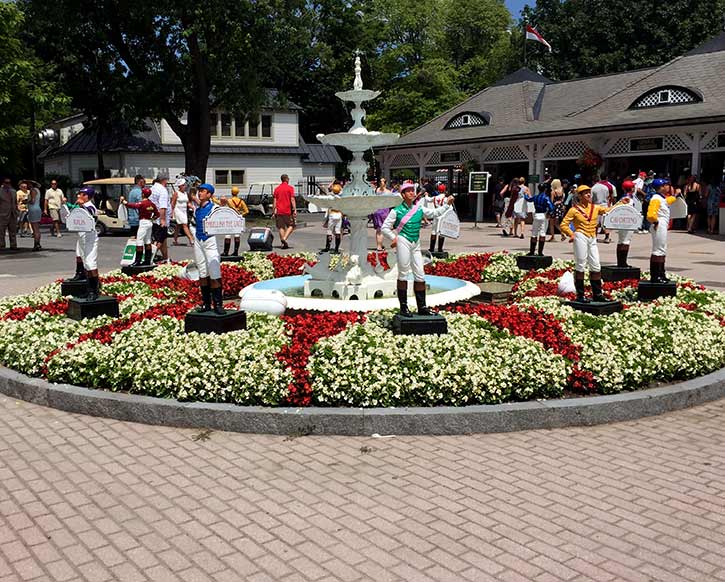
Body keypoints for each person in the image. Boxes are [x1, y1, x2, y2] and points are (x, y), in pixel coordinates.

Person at [381, 180, 455, 317]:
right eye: (408, 190)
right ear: (403, 194)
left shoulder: (419, 209)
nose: (412, 192)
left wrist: (446, 205)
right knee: (403, 272)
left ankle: (422, 307)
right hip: (403, 240)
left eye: (412, 190)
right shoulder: (396, 211)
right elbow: (384, 227)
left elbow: (435, 213)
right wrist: (394, 238)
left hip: (416, 243)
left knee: (420, 274)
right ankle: (404, 307)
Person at [559, 185, 627, 303]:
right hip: (581, 235)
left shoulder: (595, 208)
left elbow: (607, 210)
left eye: (589, 193)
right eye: (585, 193)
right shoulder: (574, 210)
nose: (589, 195)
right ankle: (580, 295)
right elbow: (563, 224)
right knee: (580, 264)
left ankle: (597, 294)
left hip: (592, 237)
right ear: (579, 196)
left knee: (596, 265)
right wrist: (571, 234)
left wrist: (620, 203)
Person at [193, 183, 224, 314]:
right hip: (198, 240)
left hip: (210, 240)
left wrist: (224, 206)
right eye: (199, 191)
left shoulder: (215, 208)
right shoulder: (197, 209)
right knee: (202, 270)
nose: (200, 193)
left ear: (209, 194)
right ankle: (206, 303)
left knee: (214, 269)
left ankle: (218, 304)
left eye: (203, 191)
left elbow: (224, 218)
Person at [71, 187, 101, 300]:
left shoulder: (90, 206)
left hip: (90, 238)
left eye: (81, 194)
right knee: (84, 262)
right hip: (82, 236)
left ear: (87, 196)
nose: (79, 196)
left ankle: (94, 290)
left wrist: (81, 206)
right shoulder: (81, 206)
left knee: (90, 263)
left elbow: (90, 214)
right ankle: (89, 289)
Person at [647, 178, 677, 283]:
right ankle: (656, 276)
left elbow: (668, 201)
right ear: (661, 187)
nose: (668, 187)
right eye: (666, 185)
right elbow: (650, 214)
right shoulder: (656, 198)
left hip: (662, 224)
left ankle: (661, 273)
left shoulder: (661, 198)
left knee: (662, 249)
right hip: (659, 224)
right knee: (658, 250)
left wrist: (675, 196)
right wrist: (655, 222)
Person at [120, 187, 159, 266]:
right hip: (149, 222)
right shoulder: (152, 204)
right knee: (147, 241)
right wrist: (152, 218)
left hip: (143, 222)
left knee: (139, 241)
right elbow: (157, 214)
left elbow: (133, 205)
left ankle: (137, 261)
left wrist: (124, 202)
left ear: (143, 194)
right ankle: (147, 260)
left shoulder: (142, 203)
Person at [524, 183, 555, 256]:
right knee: (542, 233)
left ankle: (532, 251)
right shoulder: (546, 198)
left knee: (534, 233)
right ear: (545, 189)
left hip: (536, 215)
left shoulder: (536, 197)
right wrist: (549, 213)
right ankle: (540, 252)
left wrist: (526, 194)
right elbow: (551, 207)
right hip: (543, 215)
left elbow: (528, 199)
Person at [615, 180, 638, 268]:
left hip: (623, 222)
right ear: (631, 188)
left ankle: (621, 262)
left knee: (621, 241)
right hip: (627, 223)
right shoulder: (628, 199)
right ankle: (622, 263)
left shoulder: (625, 197)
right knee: (625, 242)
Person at [222, 186, 249, 256]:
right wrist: (241, 215)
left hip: (230, 219)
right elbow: (246, 211)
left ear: (231, 192)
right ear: (238, 192)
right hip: (238, 219)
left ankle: (226, 252)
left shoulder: (229, 201)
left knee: (227, 235)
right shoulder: (241, 201)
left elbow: (222, 204)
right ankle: (236, 251)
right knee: (237, 235)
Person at [150, 174, 170, 262]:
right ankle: (149, 258)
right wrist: (163, 220)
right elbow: (163, 206)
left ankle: (165, 258)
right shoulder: (162, 190)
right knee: (159, 240)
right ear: (164, 180)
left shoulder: (152, 188)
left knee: (163, 239)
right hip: (160, 219)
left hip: (153, 218)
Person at [273, 174, 296, 249]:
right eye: (288, 179)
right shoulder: (290, 188)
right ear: (286, 179)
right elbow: (292, 199)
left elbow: (274, 201)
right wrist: (294, 209)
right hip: (287, 210)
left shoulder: (277, 189)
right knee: (292, 225)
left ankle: (283, 244)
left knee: (281, 227)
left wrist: (274, 211)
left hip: (279, 210)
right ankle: (284, 238)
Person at [426, 183, 450, 254]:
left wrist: (426, 195)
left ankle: (431, 248)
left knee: (433, 232)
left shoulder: (435, 198)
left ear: (438, 190)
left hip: (436, 215)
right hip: (442, 216)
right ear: (445, 190)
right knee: (441, 232)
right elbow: (449, 207)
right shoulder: (445, 199)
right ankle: (440, 249)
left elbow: (428, 199)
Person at [591, 173, 616, 243]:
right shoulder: (607, 187)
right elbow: (610, 196)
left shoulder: (593, 188)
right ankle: (607, 238)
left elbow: (591, 199)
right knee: (605, 223)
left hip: (596, 206)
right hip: (605, 205)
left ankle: (594, 237)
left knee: (595, 223)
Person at [171, 177, 194, 246]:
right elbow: (173, 203)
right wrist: (172, 213)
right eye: (183, 185)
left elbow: (188, 203)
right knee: (184, 224)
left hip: (184, 211)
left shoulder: (185, 193)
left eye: (185, 185)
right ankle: (191, 239)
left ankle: (175, 240)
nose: (185, 186)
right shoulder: (176, 193)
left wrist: (192, 207)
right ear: (180, 186)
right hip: (178, 210)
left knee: (178, 226)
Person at [372, 178, 391, 251]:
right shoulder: (388, 192)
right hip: (384, 210)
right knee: (382, 230)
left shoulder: (376, 191)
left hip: (376, 210)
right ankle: (379, 246)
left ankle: (379, 245)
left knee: (378, 230)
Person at [0, 178, 18, 250]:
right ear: (3, 183)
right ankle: (1, 245)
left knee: (13, 230)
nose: (8, 184)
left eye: (9, 183)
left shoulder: (14, 191)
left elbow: (15, 202)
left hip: (12, 213)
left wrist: (16, 211)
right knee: (1, 231)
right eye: (6, 183)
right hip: (2, 214)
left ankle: (13, 245)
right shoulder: (0, 191)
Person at [26, 184, 42, 251]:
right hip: (37, 209)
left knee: (35, 229)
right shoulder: (38, 190)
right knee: (37, 228)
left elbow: (32, 201)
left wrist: (26, 201)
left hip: (33, 210)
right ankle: (38, 243)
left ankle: (36, 244)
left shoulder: (32, 190)